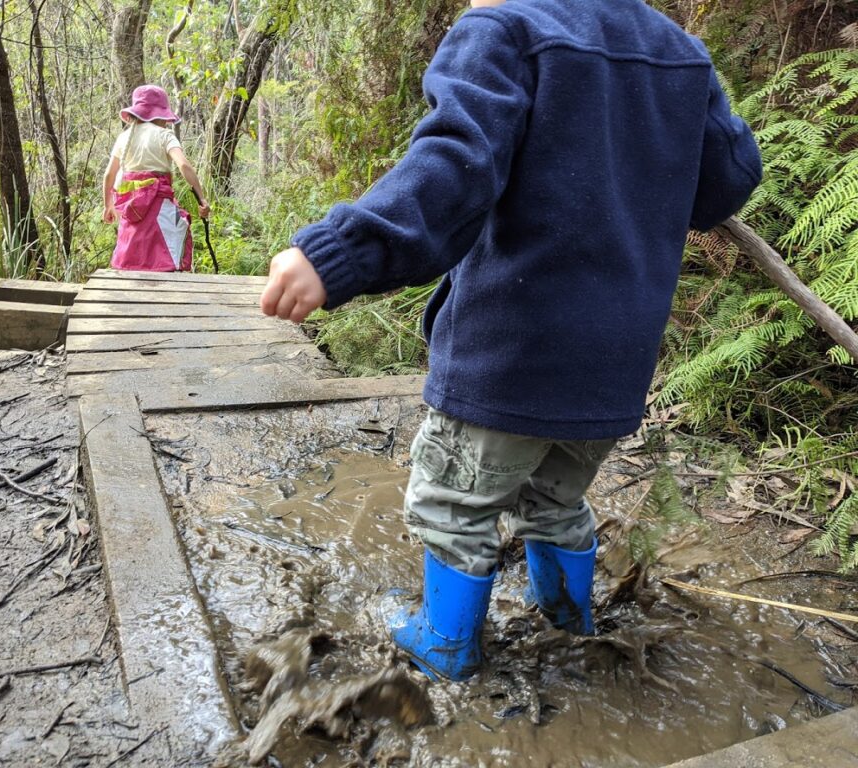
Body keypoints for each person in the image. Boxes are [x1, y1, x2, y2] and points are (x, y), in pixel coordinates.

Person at [260, 0, 762, 682]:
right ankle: (569, 622)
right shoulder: (678, 50)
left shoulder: (507, 33)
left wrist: (342, 251)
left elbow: (452, 171)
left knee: (452, 504)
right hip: (615, 369)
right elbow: (726, 184)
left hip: (510, 357)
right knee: (556, 499)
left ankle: (445, 644)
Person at [103, 84, 211, 272]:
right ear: (159, 114)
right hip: (158, 205)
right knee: (177, 231)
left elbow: (109, 175)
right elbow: (184, 165)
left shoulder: (124, 137)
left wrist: (108, 205)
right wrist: (202, 198)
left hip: (131, 205)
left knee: (133, 248)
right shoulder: (164, 135)